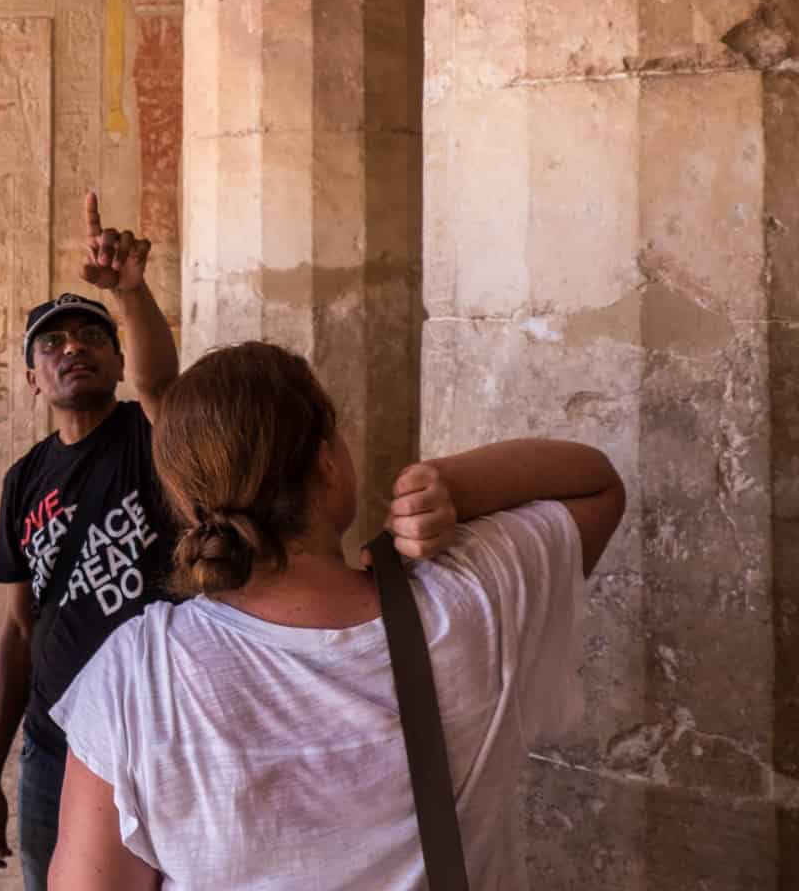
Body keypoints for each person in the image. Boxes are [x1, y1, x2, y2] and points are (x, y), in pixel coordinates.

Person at [48, 341, 627, 890]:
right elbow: (594, 484)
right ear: (328, 464)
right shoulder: (467, 605)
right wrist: (454, 485)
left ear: (184, 501)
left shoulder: (135, 674)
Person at [0, 192, 180, 889]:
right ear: (33, 379)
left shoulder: (147, 440)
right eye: (52, 344)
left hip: (148, 735)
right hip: (52, 745)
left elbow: (160, 380)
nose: (73, 350)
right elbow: (18, 627)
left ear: (117, 365)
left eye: (92, 338)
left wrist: (130, 293)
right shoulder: (24, 480)